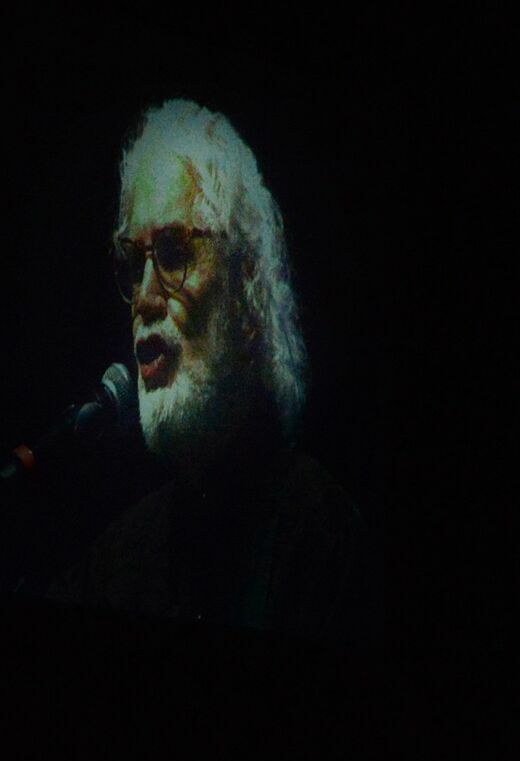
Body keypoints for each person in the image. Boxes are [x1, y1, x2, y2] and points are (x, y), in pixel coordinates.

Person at [61, 99, 366, 636]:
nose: (144, 298)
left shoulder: (321, 534)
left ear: (247, 292)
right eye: (132, 262)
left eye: (174, 251)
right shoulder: (115, 560)